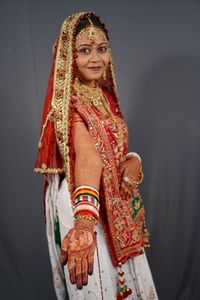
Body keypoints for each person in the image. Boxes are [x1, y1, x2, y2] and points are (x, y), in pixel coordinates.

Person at [35, 11, 158, 300]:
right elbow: (89, 157)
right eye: (84, 50)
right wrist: (84, 224)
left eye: (101, 49)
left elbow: (115, 148)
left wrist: (134, 159)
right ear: (69, 56)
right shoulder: (68, 106)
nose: (95, 59)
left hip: (112, 204)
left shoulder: (104, 96)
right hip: (84, 201)